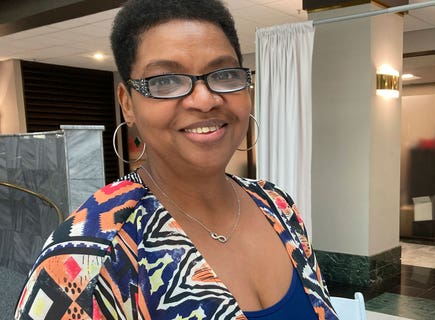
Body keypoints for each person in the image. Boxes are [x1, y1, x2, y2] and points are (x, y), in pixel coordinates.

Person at [14, 0, 337, 319]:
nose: (205, 99)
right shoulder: (86, 259)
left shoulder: (277, 206)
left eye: (223, 74)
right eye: (165, 81)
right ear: (127, 104)